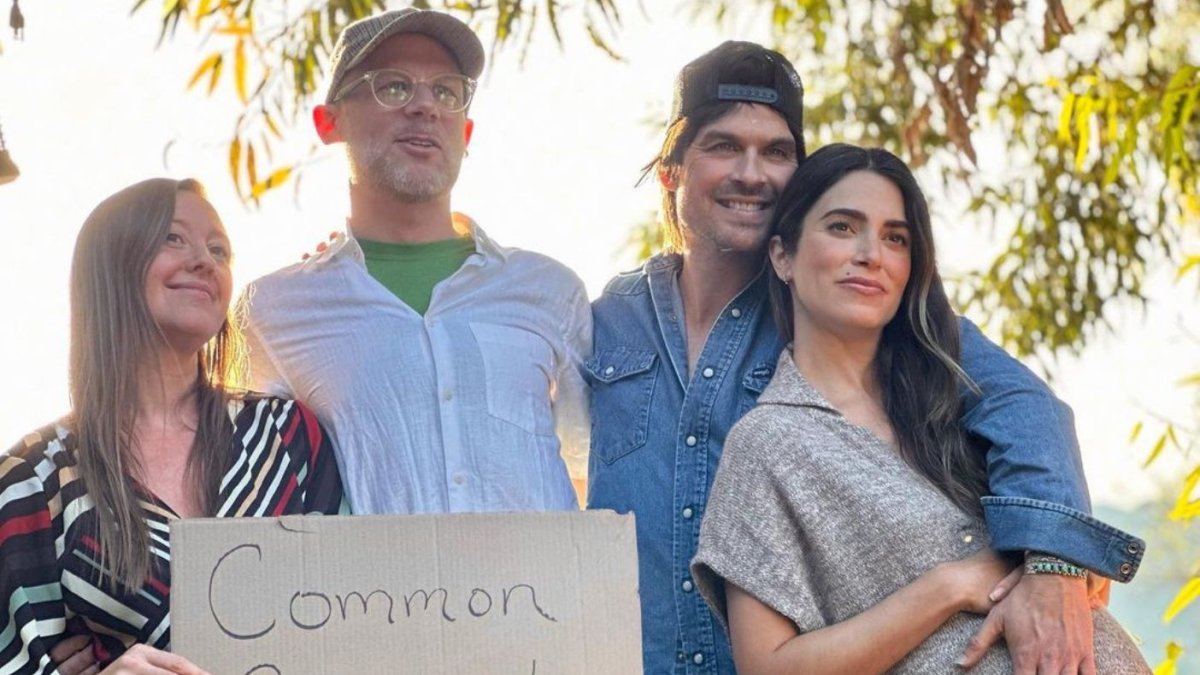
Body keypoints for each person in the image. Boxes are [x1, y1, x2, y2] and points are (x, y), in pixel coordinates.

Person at [586, 42, 1145, 674]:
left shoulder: (868, 320)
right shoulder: (602, 326)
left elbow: (1026, 409)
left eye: (776, 152)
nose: (752, 172)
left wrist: (1053, 562)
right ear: (671, 170)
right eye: (722, 146)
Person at [689, 144, 1149, 673]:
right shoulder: (768, 443)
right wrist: (947, 586)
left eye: (895, 238)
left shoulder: (961, 404)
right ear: (782, 255)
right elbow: (768, 668)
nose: (872, 254)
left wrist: (1055, 563)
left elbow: (1043, 420)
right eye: (842, 227)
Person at [240, 8, 591, 515]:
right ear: (328, 122)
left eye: (446, 91)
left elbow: (592, 471)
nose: (426, 106)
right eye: (394, 86)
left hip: (543, 594)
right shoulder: (273, 311)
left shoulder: (551, 292)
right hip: (367, 596)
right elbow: (254, 494)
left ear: (465, 133)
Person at [0, 178, 347, 675]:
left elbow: (354, 620)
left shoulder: (288, 439)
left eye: (219, 249)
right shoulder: (34, 481)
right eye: (173, 238)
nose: (204, 260)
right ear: (111, 265)